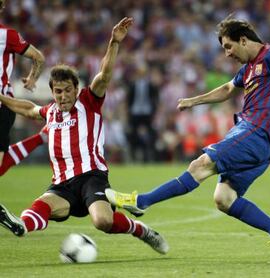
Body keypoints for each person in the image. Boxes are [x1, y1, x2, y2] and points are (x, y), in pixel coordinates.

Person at [105, 17, 270, 260]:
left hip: (256, 132)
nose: (227, 53)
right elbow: (227, 89)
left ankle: (142, 201)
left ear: (243, 40)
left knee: (200, 165)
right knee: (224, 198)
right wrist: (194, 100)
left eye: (228, 46)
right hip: (258, 141)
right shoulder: (249, 68)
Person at [0, 17, 169, 255]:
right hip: (62, 184)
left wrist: (114, 42)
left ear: (76, 89)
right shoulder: (51, 112)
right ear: (52, 92)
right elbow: (27, 108)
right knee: (42, 205)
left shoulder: (89, 101)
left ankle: (141, 230)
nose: (63, 96)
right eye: (58, 92)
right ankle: (21, 225)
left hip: (92, 177)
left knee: (103, 222)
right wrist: (2, 97)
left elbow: (104, 75)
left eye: (68, 90)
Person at [0, 0, 45, 171]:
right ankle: (39, 139)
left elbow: (38, 57)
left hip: (3, 105)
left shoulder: (7, 35)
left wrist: (32, 78)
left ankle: (39, 139)